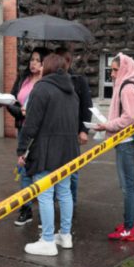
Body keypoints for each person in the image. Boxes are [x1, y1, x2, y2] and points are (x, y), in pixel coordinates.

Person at [17, 54, 79, 256]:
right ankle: (66, 236)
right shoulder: (72, 91)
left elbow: (31, 125)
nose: (40, 67)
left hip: (45, 150)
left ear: (48, 67)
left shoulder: (41, 88)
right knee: (64, 192)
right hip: (68, 151)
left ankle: (48, 240)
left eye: (42, 64)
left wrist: (22, 150)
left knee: (45, 194)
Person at [93, 53, 134, 241]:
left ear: (124, 69)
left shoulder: (127, 88)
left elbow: (130, 117)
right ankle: (132, 223)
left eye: (114, 69)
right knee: (130, 186)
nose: (112, 74)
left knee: (127, 187)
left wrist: (108, 126)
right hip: (126, 142)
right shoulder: (127, 84)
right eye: (111, 70)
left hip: (126, 143)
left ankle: (129, 228)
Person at [6, 47, 51, 226]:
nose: (33, 63)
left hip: (41, 134)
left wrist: (31, 113)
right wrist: (21, 112)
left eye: (38, 60)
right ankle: (26, 209)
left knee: (40, 172)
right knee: (24, 171)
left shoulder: (47, 82)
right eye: (32, 59)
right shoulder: (23, 79)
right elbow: (11, 101)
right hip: (23, 131)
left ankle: (44, 213)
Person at [54, 47, 93, 207]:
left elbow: (87, 107)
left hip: (72, 135)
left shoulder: (78, 81)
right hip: (54, 134)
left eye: (60, 61)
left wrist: (84, 131)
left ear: (68, 62)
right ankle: (58, 202)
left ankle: (71, 204)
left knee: (72, 172)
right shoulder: (51, 80)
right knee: (53, 171)